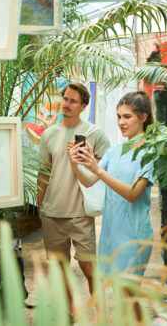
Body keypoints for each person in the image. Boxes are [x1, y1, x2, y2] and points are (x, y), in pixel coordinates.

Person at [69, 90, 155, 276]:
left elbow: (133, 194)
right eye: (118, 117)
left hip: (134, 236)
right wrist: (76, 164)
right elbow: (90, 181)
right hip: (111, 234)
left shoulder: (150, 152)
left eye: (127, 117)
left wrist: (97, 168)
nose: (121, 122)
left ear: (143, 117)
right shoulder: (114, 151)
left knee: (129, 296)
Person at [37, 82, 111, 290]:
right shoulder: (48, 134)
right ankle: (68, 311)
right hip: (52, 212)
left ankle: (99, 310)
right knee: (59, 270)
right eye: (65, 99)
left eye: (73, 101)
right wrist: (40, 206)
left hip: (80, 213)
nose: (67, 104)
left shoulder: (94, 134)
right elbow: (43, 173)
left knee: (88, 266)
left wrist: (84, 157)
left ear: (84, 106)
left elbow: (102, 171)